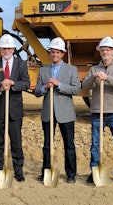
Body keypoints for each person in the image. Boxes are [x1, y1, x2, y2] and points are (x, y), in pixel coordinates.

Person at [82, 36, 113, 184]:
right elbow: (85, 86)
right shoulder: (94, 69)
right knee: (95, 143)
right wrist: (94, 77)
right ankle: (94, 170)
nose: (105, 52)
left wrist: (108, 78)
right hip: (97, 111)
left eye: (107, 49)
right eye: (102, 49)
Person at [0, 34, 30, 182]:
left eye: (9, 48)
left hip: (14, 111)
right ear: (0, 49)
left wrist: (12, 83)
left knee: (16, 142)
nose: (6, 50)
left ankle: (18, 171)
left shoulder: (21, 64)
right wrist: (0, 87)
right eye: (3, 48)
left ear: (13, 49)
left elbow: (26, 83)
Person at [34, 37, 80, 183]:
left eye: (57, 52)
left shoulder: (71, 70)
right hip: (48, 113)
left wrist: (59, 84)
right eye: (52, 52)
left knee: (69, 145)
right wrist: (45, 87)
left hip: (65, 113)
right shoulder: (43, 70)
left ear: (62, 54)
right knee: (47, 145)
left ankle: (71, 174)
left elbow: (76, 89)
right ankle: (46, 171)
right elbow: (36, 91)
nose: (54, 55)